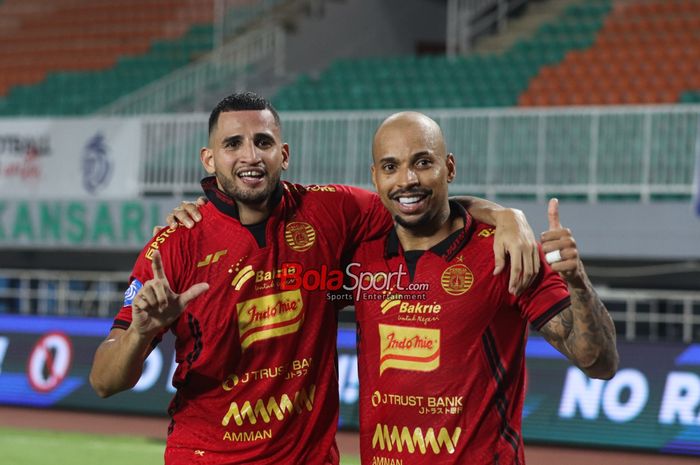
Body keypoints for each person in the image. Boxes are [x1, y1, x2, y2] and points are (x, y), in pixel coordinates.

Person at [89, 93, 541, 465]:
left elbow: (417, 198)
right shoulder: (175, 245)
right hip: (207, 455)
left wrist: (504, 214)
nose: (250, 155)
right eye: (233, 144)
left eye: (263, 141)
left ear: (283, 154)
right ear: (210, 159)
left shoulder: (331, 211)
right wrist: (142, 334)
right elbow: (104, 381)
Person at [349, 112, 618, 464]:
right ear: (375, 177)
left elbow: (599, 362)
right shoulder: (359, 255)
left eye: (423, 162)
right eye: (390, 167)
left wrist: (578, 282)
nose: (407, 179)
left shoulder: (505, 251)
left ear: (450, 167)